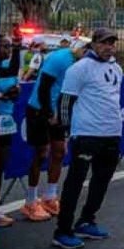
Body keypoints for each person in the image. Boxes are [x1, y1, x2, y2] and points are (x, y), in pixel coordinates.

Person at [51, 28, 124, 249]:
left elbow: (113, 99)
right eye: (104, 43)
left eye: (112, 43)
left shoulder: (116, 68)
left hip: (111, 133)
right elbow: (66, 102)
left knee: (102, 179)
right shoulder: (80, 68)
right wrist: (65, 132)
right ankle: (63, 230)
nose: (108, 47)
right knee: (75, 181)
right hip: (86, 133)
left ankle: (86, 220)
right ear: (93, 44)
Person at [21, 41, 79, 222]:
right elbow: (44, 86)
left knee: (60, 151)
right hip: (39, 109)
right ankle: (30, 201)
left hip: (58, 111)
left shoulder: (83, 64)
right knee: (42, 153)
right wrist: (48, 113)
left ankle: (49, 197)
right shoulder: (60, 58)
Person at [0, 34, 23, 228]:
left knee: (0, 166)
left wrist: (14, 92)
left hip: (6, 122)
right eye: (4, 46)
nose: (8, 50)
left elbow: (13, 77)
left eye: (9, 47)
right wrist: (0, 95)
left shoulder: (7, 67)